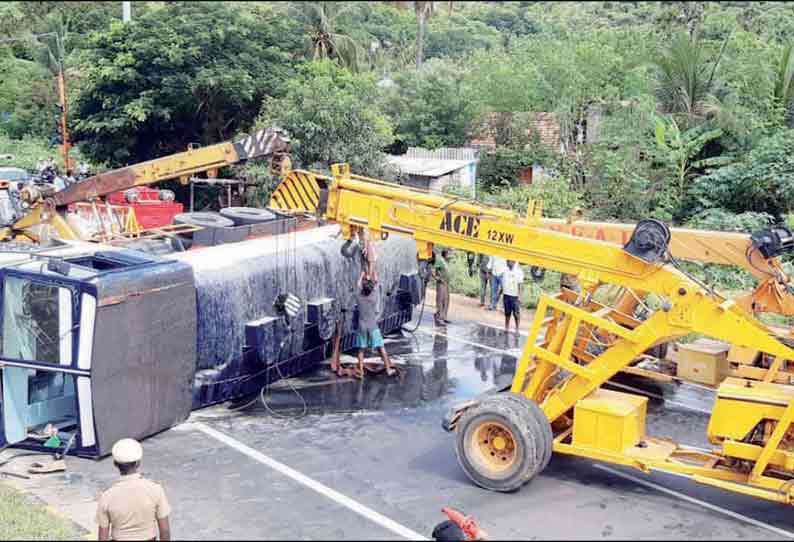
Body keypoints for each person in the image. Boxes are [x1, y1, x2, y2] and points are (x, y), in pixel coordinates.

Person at [97, 438, 171, 541]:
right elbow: (165, 530)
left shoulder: (106, 496)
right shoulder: (155, 489)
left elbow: (103, 538)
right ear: (138, 463)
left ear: (115, 464)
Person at [356, 275, 396, 378]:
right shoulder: (374, 297)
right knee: (381, 347)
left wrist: (361, 275)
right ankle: (388, 369)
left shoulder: (359, 297)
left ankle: (360, 372)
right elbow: (377, 284)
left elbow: (358, 285)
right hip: (372, 326)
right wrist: (374, 276)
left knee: (361, 349)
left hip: (362, 326)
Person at [501, 260, 525, 332]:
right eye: (507, 261)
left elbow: (520, 285)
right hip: (506, 294)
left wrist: (520, 297)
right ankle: (506, 327)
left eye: (509, 261)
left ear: (514, 262)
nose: (507, 263)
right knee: (507, 313)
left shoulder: (519, 272)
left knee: (516, 313)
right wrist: (500, 292)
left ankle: (517, 329)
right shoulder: (505, 271)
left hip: (515, 296)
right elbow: (503, 283)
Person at [433, 248, 451, 325]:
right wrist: (437, 278)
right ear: (445, 253)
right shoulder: (440, 260)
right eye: (448, 253)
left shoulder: (446, 261)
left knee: (446, 300)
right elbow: (433, 270)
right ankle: (439, 317)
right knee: (440, 300)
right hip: (441, 283)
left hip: (446, 283)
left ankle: (444, 317)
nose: (450, 255)